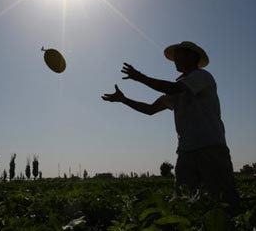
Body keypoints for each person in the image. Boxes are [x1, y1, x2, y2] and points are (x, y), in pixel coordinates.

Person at [101, 41, 238, 210]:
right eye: (174, 58)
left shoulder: (202, 77)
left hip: (211, 148)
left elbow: (173, 88)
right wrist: (124, 100)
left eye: (178, 56)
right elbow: (150, 109)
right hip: (186, 152)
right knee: (183, 204)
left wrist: (140, 77)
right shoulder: (178, 88)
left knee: (224, 201)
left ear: (192, 57)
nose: (175, 60)